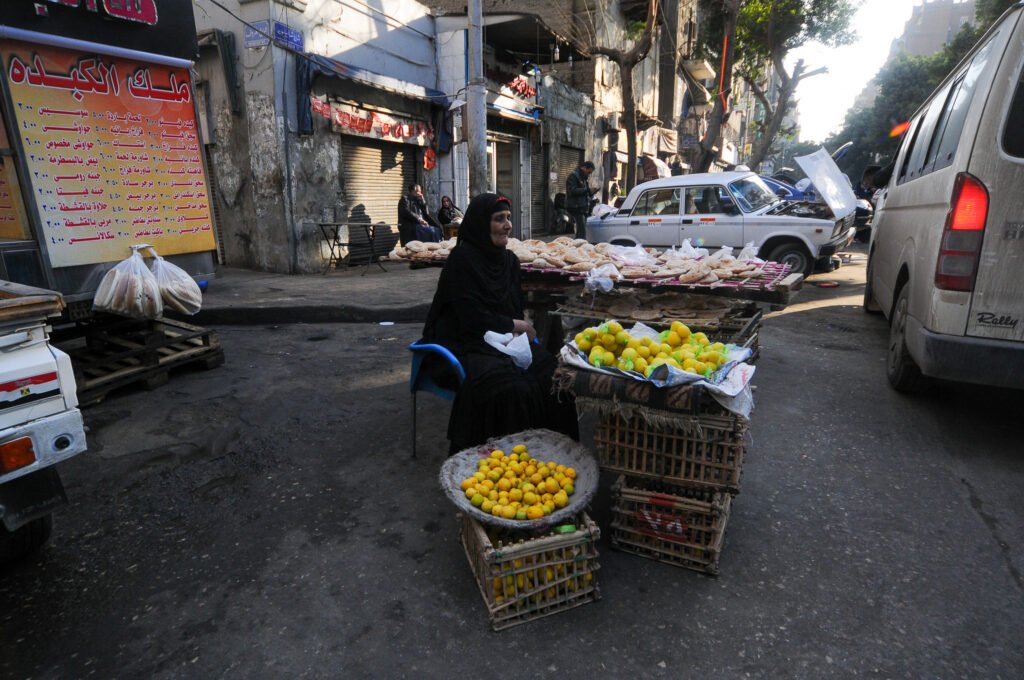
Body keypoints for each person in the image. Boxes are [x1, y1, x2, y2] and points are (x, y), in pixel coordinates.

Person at [423, 192, 579, 454]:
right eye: (499, 219)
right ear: (481, 224)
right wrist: (517, 326)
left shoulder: (509, 261)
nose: (507, 225)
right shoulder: (461, 261)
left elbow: (512, 307)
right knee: (509, 389)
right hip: (469, 341)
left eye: (508, 218)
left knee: (556, 377)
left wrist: (514, 331)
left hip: (506, 339)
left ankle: (557, 453)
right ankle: (506, 461)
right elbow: (470, 318)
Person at [566, 160, 598, 239]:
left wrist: (592, 192)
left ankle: (577, 247)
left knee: (580, 231)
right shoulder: (573, 176)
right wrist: (587, 190)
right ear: (584, 168)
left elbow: (585, 192)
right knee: (581, 232)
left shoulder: (583, 178)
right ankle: (580, 247)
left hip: (583, 208)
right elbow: (572, 191)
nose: (589, 174)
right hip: (576, 207)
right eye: (588, 172)